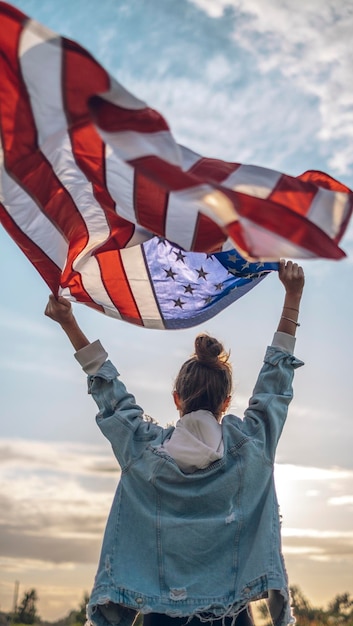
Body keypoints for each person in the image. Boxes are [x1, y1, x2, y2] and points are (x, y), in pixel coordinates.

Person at [45, 259, 304, 626]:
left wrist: (69, 322)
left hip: (160, 615)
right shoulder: (252, 444)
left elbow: (109, 391)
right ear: (226, 402)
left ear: (176, 398)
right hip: (232, 617)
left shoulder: (142, 449)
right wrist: (293, 295)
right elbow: (275, 383)